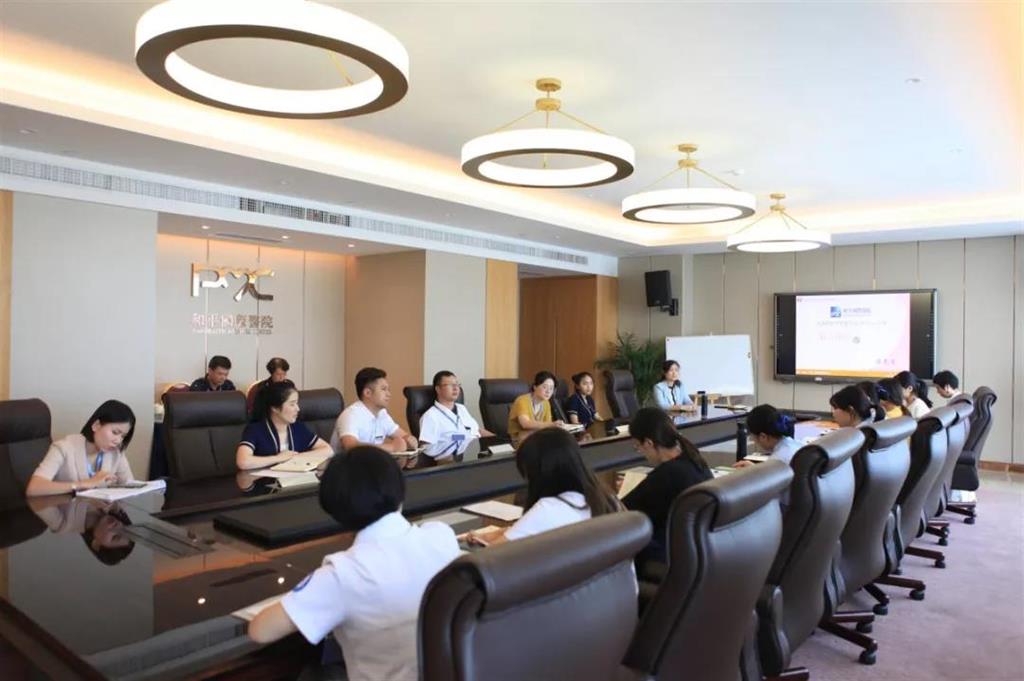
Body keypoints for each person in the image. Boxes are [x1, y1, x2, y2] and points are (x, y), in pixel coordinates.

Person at [248, 447, 460, 681]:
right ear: (400, 490)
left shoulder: (343, 573)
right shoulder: (441, 536)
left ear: (335, 510)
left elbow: (260, 631)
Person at [470, 429, 620, 545]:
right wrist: (502, 532)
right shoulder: (606, 498)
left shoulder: (547, 509)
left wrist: (484, 541)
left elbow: (490, 557)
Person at [622, 407, 712, 564]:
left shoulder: (666, 475)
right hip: (700, 550)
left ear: (648, 443)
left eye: (638, 447)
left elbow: (621, 511)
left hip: (670, 556)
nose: (641, 453)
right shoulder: (694, 459)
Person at [26, 400, 137, 497]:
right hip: (64, 512)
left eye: (123, 436)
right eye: (115, 432)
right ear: (96, 425)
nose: (118, 440)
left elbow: (131, 487)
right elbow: (34, 488)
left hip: (99, 513)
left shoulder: (116, 453)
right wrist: (86, 483)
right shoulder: (63, 447)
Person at [236, 383, 333, 470]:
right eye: (292, 404)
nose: (298, 409)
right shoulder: (255, 430)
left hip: (294, 481)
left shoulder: (297, 427)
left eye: (297, 403)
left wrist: (296, 457)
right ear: (275, 408)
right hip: (263, 482)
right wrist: (278, 458)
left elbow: (328, 450)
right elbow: (243, 462)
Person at [331, 368, 417, 453]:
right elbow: (351, 446)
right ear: (367, 393)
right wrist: (391, 447)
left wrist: (409, 440)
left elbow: (403, 436)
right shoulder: (351, 415)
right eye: (383, 389)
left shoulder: (382, 414)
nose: (389, 394)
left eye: (388, 390)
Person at [417, 371, 493, 457]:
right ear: (438, 389)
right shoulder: (430, 416)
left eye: (457, 384)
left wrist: (498, 441)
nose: (456, 388)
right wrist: (464, 436)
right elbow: (426, 447)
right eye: (450, 385)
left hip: (471, 454)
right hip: (446, 459)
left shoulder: (461, 408)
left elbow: (477, 431)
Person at [507, 371, 564, 441]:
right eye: (545, 387)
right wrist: (552, 424)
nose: (548, 391)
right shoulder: (522, 400)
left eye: (551, 388)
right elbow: (525, 424)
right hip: (519, 440)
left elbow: (547, 425)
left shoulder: (546, 403)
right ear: (535, 387)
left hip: (537, 438)